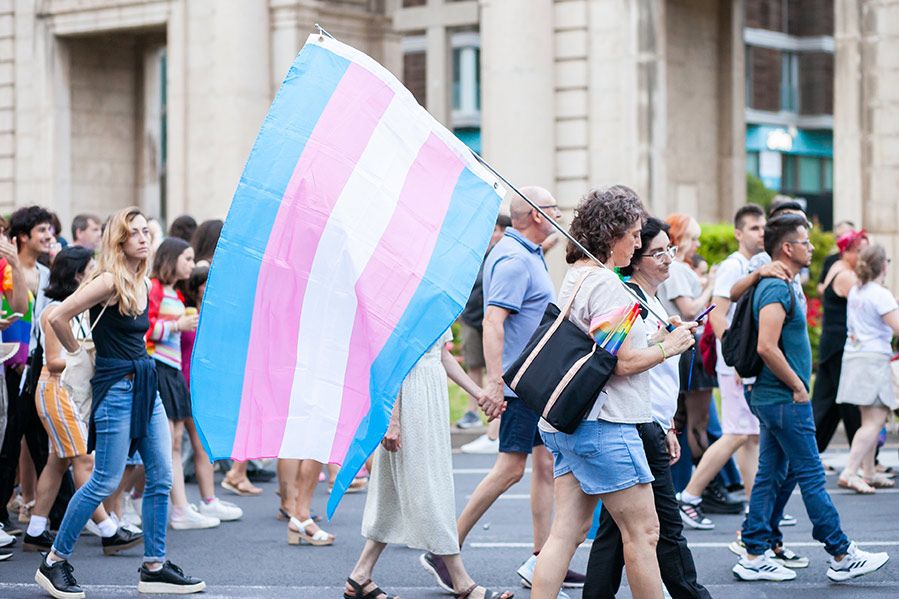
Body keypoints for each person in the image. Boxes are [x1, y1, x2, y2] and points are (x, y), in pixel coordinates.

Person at [531, 186, 696, 599]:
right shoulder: (607, 285)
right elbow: (619, 364)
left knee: (567, 532)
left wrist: (652, 339)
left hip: (569, 419)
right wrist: (667, 347)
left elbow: (605, 350)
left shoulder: (577, 276)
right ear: (612, 233)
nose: (639, 243)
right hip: (605, 423)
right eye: (636, 234)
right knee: (644, 531)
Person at [35, 207, 205, 597]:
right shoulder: (109, 280)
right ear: (119, 241)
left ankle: (155, 566)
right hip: (117, 387)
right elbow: (57, 316)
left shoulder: (139, 281)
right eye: (135, 233)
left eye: (147, 231)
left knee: (161, 475)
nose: (144, 238)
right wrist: (80, 351)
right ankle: (54, 561)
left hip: (146, 383)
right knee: (104, 480)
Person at [443, 187, 584, 594]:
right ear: (538, 215)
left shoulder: (529, 252)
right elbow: (493, 322)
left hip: (536, 383)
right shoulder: (512, 258)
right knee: (509, 469)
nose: (561, 213)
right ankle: (446, 546)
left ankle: (542, 557)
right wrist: (495, 382)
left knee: (543, 468)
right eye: (555, 208)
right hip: (519, 385)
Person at [733, 213, 889, 583]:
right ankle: (840, 553)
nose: (812, 247)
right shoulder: (774, 287)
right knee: (812, 476)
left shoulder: (783, 282)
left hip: (777, 398)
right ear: (788, 247)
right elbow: (766, 347)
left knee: (771, 476)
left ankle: (754, 553)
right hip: (784, 398)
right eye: (805, 241)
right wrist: (799, 387)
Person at [584, 217, 710, 599]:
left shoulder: (652, 301)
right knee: (665, 529)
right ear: (635, 258)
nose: (669, 258)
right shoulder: (628, 299)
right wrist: (667, 346)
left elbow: (657, 376)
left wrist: (669, 424)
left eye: (669, 249)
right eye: (657, 251)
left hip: (649, 422)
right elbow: (623, 364)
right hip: (635, 424)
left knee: (614, 530)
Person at [346, 332, 513, 599]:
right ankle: (462, 582)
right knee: (431, 488)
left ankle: (360, 575)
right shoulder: (405, 293)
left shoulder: (431, 291)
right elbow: (391, 356)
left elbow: (441, 353)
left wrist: (478, 393)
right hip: (409, 397)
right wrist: (393, 417)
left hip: (428, 395)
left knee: (393, 491)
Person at [23, 246, 143, 555]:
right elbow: (53, 361)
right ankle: (108, 530)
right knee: (84, 458)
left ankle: (36, 530)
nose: (99, 275)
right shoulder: (55, 312)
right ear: (77, 276)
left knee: (58, 460)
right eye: (92, 269)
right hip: (57, 390)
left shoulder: (85, 310)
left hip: (71, 392)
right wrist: (92, 360)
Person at [678, 205, 766, 529]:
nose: (761, 233)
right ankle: (689, 496)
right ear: (739, 233)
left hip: (741, 364)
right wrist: (735, 359)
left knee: (750, 436)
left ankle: (756, 507)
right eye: (754, 228)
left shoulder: (752, 264)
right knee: (737, 433)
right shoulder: (733, 267)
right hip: (735, 366)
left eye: (763, 227)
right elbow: (716, 315)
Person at [147, 238, 236, 528]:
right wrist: (177, 325)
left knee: (177, 444)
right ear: (171, 260)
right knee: (164, 445)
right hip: (164, 370)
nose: (191, 263)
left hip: (173, 373)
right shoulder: (156, 289)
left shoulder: (174, 294)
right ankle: (175, 507)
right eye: (186, 258)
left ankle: (183, 506)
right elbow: (145, 329)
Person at [0, 206, 53, 534]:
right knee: (10, 445)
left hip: (29, 365)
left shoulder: (40, 272)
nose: (49, 237)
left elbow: (20, 310)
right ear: (23, 237)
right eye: (42, 231)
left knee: (38, 444)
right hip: (11, 365)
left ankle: (41, 519)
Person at [835, 244, 899, 493]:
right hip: (873, 358)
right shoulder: (879, 293)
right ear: (883, 265)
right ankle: (851, 471)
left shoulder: (858, 291)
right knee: (876, 419)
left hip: (855, 356)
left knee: (868, 417)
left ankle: (869, 471)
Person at [657, 214, 716, 465]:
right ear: (679, 239)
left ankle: (688, 487)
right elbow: (690, 310)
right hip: (690, 344)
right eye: (693, 238)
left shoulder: (676, 268)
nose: (697, 245)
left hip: (681, 344)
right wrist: (712, 286)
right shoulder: (678, 268)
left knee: (681, 420)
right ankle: (702, 488)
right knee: (696, 423)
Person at [812, 229, 868, 457]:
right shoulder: (846, 275)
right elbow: (869, 304)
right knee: (851, 403)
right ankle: (865, 460)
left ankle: (807, 454)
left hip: (833, 345)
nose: (865, 257)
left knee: (827, 404)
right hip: (839, 347)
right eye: (861, 251)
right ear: (848, 252)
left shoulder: (838, 267)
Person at [455, 214, 511, 432]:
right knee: (474, 364)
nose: (494, 234)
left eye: (498, 230)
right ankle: (472, 412)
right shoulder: (476, 253)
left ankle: (497, 417)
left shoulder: (505, 256)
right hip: (471, 317)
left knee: (495, 367)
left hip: (493, 320)